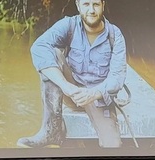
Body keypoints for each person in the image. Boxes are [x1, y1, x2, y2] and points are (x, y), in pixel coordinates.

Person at [17, 0, 127, 148]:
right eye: (86, 4)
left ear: (103, 5)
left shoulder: (115, 35)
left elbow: (117, 77)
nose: (91, 10)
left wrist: (93, 93)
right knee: (52, 54)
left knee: (112, 146)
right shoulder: (69, 25)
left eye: (96, 4)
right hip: (71, 92)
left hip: (99, 98)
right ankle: (51, 130)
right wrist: (66, 86)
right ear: (78, 5)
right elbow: (39, 47)